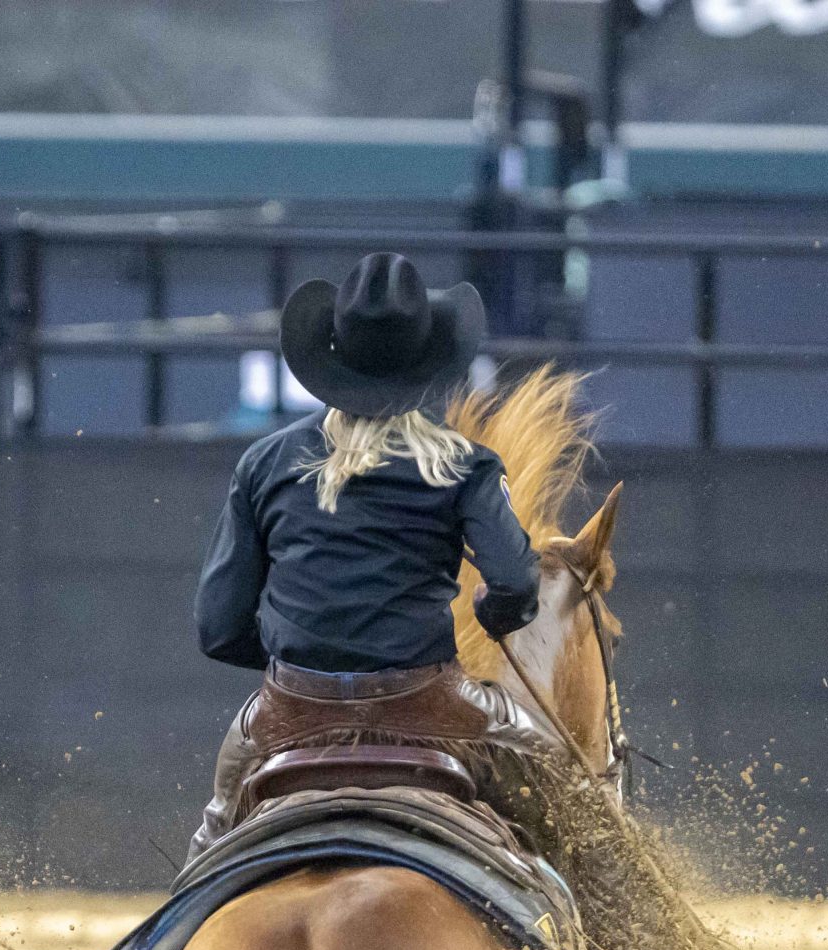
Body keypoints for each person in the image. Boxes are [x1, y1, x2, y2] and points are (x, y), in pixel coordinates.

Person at [186, 251, 566, 859]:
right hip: (428, 703)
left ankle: (154, 949)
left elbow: (217, 628)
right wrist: (496, 616)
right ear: (428, 359)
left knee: (210, 841)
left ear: (332, 353)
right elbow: (517, 582)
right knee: (559, 774)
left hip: (291, 705)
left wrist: (307, 651)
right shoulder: (465, 466)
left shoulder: (265, 463)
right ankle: (602, 940)